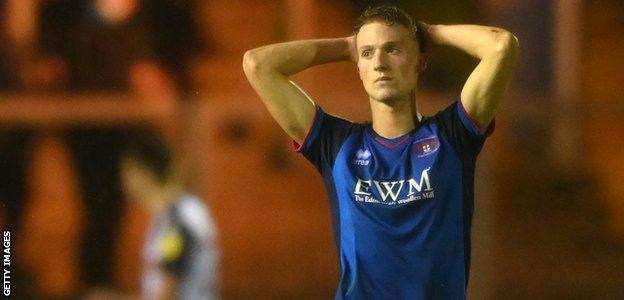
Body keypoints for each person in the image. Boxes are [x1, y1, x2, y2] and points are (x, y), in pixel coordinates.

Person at [243, 5, 518, 299]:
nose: (379, 63)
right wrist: (346, 46)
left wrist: (430, 33)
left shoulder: (452, 136)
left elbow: (501, 46)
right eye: (367, 53)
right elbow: (258, 64)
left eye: (393, 49)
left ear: (420, 60)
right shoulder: (336, 144)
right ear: (358, 67)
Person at [119, 131, 220, 299]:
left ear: (143, 173)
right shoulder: (179, 214)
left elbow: (168, 290)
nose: (124, 183)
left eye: (128, 173)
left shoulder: (178, 219)